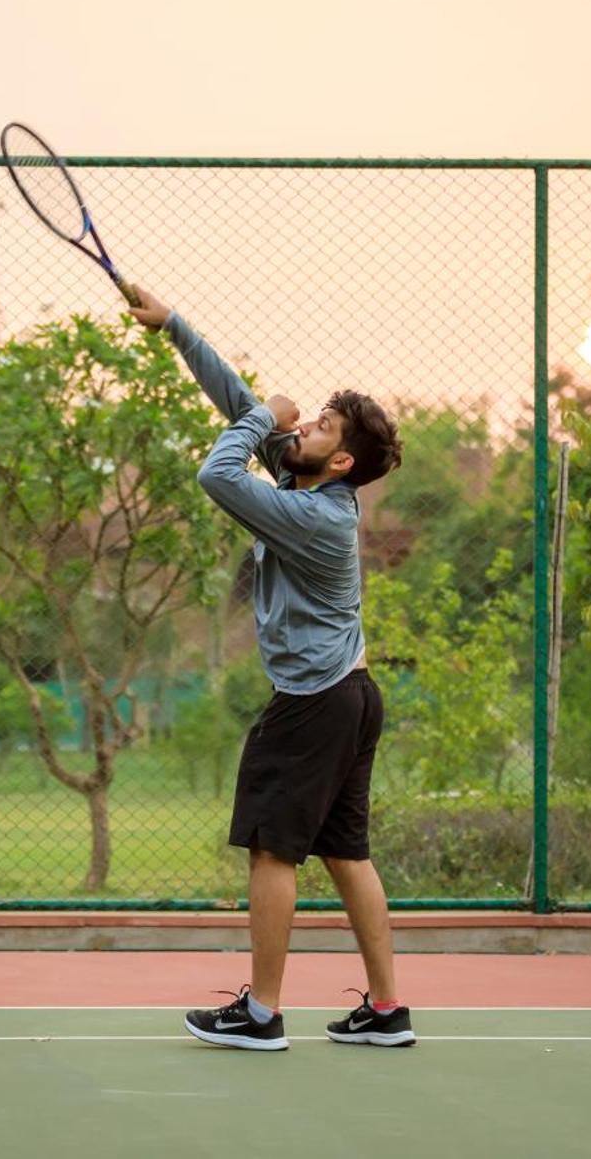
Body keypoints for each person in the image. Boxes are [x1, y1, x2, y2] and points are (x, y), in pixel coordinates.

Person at [125, 285, 414, 1053]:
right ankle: (387, 1009)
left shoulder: (315, 516)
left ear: (342, 459)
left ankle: (261, 1011)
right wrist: (175, 327)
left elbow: (216, 475)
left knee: (271, 847)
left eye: (322, 424)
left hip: (315, 702)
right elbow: (238, 398)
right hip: (352, 694)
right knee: (347, 851)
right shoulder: (303, 478)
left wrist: (262, 419)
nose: (304, 425)